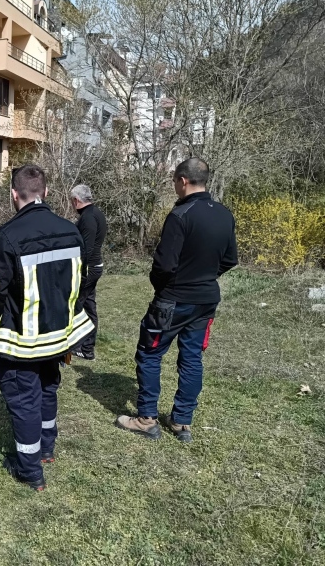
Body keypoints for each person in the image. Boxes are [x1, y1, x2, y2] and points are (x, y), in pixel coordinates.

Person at [0, 164, 94, 490]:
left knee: (25, 400)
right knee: (48, 390)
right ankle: (46, 448)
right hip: (60, 338)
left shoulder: (7, 237)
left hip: (24, 343)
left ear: (14, 195)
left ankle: (29, 470)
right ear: (45, 192)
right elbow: (79, 283)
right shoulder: (71, 231)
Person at [116, 158, 238, 442]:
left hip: (173, 301)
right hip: (206, 301)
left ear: (183, 181)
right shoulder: (224, 214)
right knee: (192, 358)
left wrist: (164, 288)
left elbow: (163, 266)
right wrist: (206, 276)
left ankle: (146, 418)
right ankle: (182, 422)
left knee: (149, 354)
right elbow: (230, 259)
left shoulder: (180, 214)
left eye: (174, 181)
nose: (174, 186)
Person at [70, 185, 107, 361]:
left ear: (77, 200)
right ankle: (87, 349)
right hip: (94, 267)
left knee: (75, 305)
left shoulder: (88, 218)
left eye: (72, 201)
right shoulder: (95, 213)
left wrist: (79, 272)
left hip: (88, 269)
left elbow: (87, 248)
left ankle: (77, 346)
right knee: (89, 307)